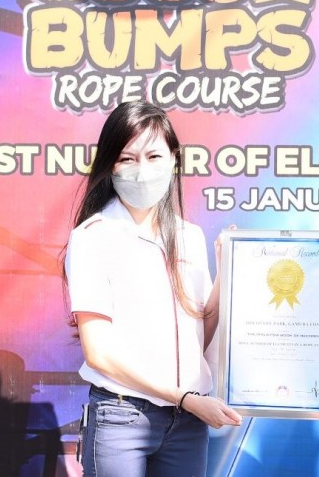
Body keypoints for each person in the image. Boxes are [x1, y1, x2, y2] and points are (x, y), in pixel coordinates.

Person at [62, 101, 241, 476]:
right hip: (122, 417)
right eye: (127, 159)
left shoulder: (189, 237)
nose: (142, 171)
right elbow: (99, 354)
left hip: (187, 423)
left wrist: (227, 274)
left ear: (174, 159)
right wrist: (186, 398)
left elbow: (200, 332)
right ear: (110, 165)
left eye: (154, 155)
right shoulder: (92, 237)